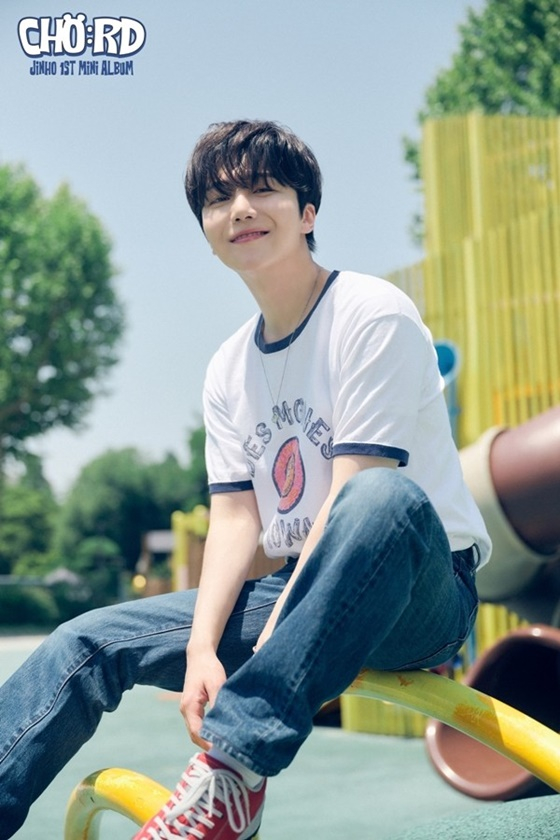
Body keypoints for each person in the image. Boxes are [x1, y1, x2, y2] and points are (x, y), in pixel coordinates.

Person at [0, 120, 490, 840]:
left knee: (378, 497)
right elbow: (235, 521)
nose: (240, 209)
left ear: (308, 212)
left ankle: (232, 772)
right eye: (218, 199)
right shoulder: (229, 366)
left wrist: (275, 636)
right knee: (84, 643)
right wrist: (202, 649)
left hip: (417, 588)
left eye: (263, 190)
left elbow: (357, 487)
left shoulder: (370, 313)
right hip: (298, 589)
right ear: (206, 231)